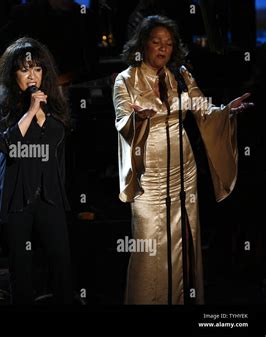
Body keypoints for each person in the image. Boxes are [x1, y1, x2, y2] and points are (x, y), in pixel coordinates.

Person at [112, 15, 253, 304]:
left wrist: (227, 111)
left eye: (168, 43)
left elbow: (203, 110)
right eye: (156, 42)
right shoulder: (126, 79)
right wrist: (137, 119)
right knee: (150, 241)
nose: (163, 48)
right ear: (143, 44)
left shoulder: (181, 75)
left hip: (183, 170)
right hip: (147, 173)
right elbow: (122, 121)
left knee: (181, 239)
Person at [0, 37, 72, 304]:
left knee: (62, 267)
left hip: (49, 193)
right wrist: (31, 111)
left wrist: (42, 112)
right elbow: (6, 145)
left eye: (37, 68)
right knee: (21, 273)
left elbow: (57, 137)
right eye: (25, 69)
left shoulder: (54, 101)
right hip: (16, 194)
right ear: (13, 73)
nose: (32, 75)